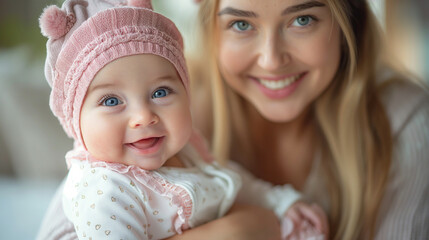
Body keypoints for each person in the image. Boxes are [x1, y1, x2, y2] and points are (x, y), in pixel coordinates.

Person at [37, 0, 429, 239]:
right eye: (241, 23)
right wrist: (246, 231)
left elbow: (242, 185)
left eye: (303, 19)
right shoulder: (121, 158)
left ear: (349, 23)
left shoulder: (403, 120)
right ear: (213, 29)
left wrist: (277, 210)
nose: (272, 59)